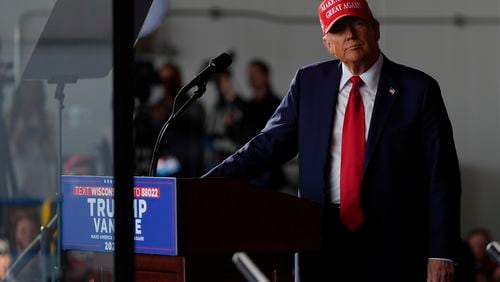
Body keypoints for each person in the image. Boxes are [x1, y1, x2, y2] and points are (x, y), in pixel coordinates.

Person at [204, 0, 461, 281]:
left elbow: (442, 176)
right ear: (328, 43)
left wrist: (441, 252)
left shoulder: (418, 89)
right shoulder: (308, 82)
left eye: (357, 23)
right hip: (321, 241)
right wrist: (203, 186)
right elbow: (267, 146)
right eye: (338, 29)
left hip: (393, 242)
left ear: (376, 29)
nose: (350, 34)